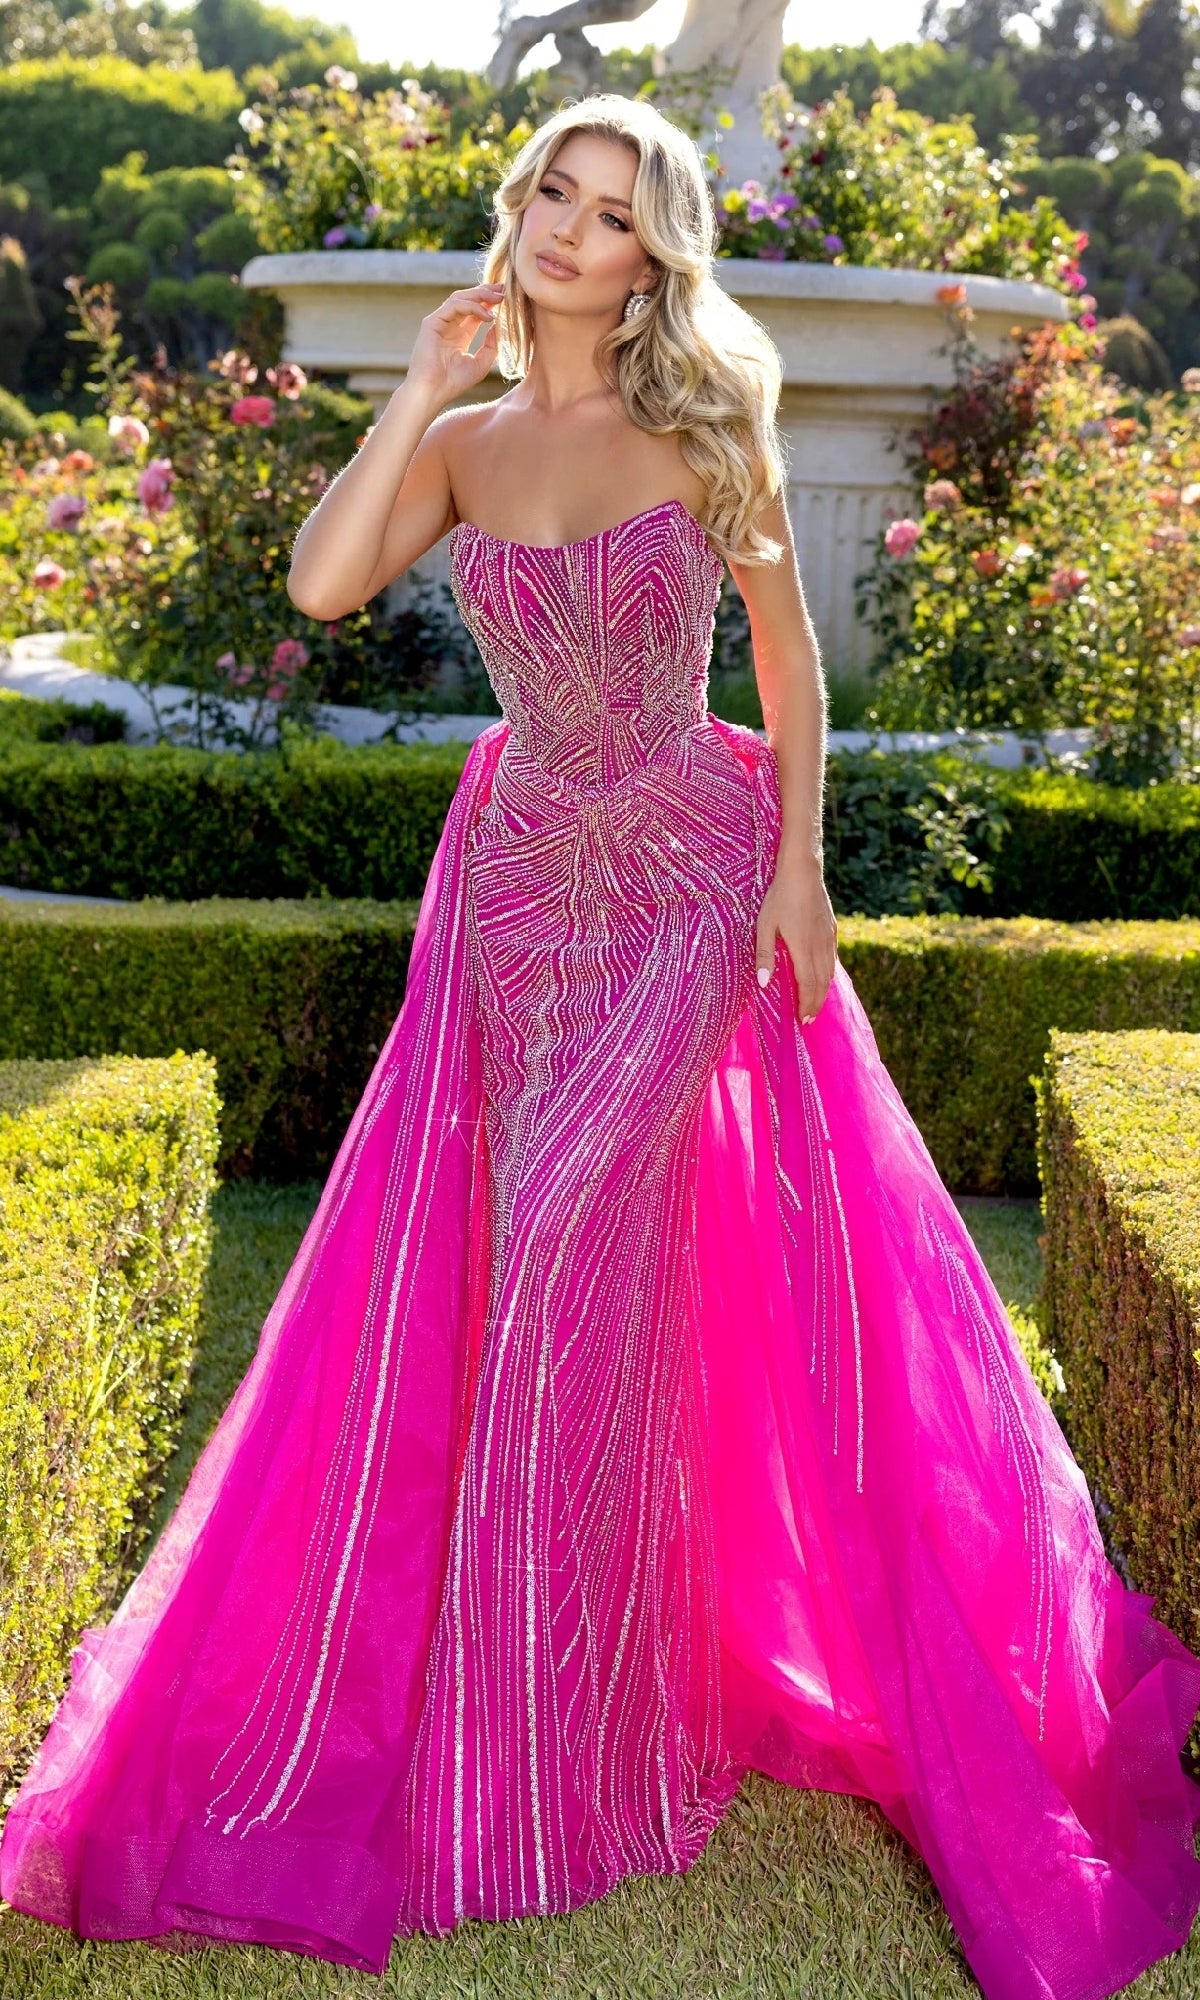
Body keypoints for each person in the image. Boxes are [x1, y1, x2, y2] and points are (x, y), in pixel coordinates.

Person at [2, 91, 1199, 2000]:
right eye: (552, 192)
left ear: (660, 251)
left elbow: (790, 667)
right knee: (549, 1270)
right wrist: (417, 385)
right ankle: (550, 1708)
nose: (570, 228)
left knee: (568, 1238)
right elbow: (321, 584)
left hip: (687, 878)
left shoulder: (707, 420)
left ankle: (588, 1747)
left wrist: (797, 877)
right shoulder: (471, 442)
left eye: (613, 209)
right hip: (518, 886)